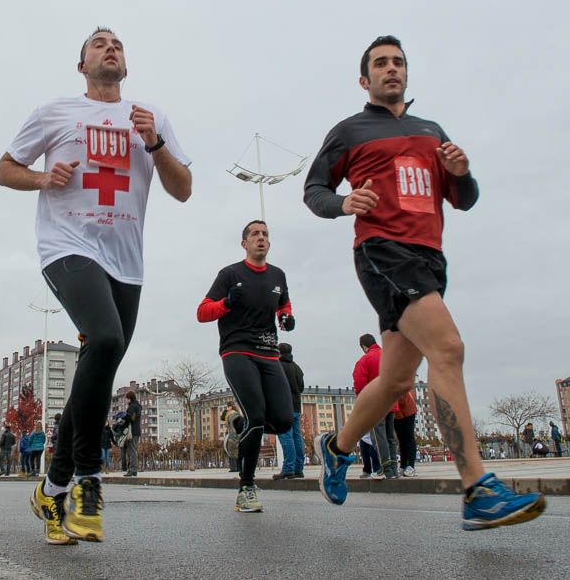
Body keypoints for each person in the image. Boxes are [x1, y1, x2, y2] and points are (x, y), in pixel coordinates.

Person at [304, 34, 545, 530]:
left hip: (430, 256)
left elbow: (466, 199)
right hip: (382, 251)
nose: (391, 69)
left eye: (398, 62)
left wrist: (463, 171)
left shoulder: (432, 130)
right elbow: (314, 190)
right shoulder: (349, 131)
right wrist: (344, 204)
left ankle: (337, 447)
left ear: (407, 73)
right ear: (364, 79)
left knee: (394, 380)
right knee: (448, 348)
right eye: (380, 63)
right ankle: (477, 487)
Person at [0, 26, 191, 545]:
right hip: (67, 246)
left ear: (125, 64)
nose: (111, 49)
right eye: (99, 44)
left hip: (126, 262)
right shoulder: (54, 112)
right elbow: (5, 168)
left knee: (99, 369)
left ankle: (50, 490)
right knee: (104, 340)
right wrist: (42, 179)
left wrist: (156, 143)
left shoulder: (151, 118)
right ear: (81, 64)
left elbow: (183, 189)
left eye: (118, 45)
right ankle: (87, 480)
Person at [197, 220, 295, 512]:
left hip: (268, 353)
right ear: (244, 244)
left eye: (265, 234)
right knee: (257, 416)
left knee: (282, 421)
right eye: (255, 234)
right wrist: (226, 302)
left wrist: (287, 319)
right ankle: (246, 488)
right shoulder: (230, 274)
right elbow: (202, 312)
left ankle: (237, 425)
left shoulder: (278, 275)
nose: (261, 238)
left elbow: (284, 305)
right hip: (237, 351)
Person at [353, 334, 400, 480]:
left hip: (375, 404)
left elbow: (359, 384)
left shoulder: (365, 360)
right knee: (390, 436)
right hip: (391, 402)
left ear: (364, 346)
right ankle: (393, 469)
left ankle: (384, 469)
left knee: (378, 437)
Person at [274, 343, 305, 480]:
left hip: (282, 407)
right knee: (297, 437)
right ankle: (299, 469)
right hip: (297, 407)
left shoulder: (276, 366)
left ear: (278, 352)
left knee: (286, 437)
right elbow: (301, 388)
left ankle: (288, 469)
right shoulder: (297, 368)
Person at [394, 389, 418, 476]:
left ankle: (411, 466)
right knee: (401, 439)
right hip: (396, 413)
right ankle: (403, 466)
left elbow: (401, 398)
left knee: (409, 437)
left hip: (408, 410)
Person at [124, 391, 142, 477]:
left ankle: (132, 469)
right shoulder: (138, 406)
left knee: (132, 451)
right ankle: (134, 470)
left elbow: (131, 419)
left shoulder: (132, 407)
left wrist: (124, 418)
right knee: (134, 450)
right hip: (137, 431)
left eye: (126, 399)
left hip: (132, 431)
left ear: (129, 398)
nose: (125, 401)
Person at [221, 401, 241, 472]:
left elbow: (222, 418)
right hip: (237, 433)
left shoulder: (231, 413)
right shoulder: (237, 412)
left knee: (231, 450)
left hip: (231, 433)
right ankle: (238, 467)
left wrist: (226, 410)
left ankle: (234, 468)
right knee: (236, 450)